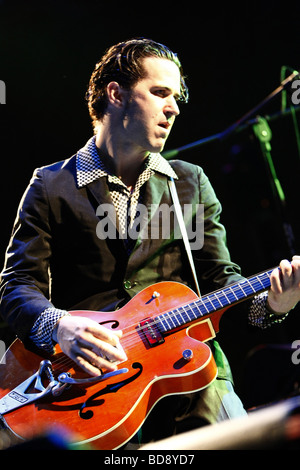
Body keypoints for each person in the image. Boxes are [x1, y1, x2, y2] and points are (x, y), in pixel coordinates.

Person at [0, 38, 300, 447]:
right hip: (90, 386)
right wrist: (60, 327)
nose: (174, 107)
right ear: (116, 93)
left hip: (191, 376)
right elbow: (17, 285)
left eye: (177, 97)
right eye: (160, 93)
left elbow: (220, 281)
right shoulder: (52, 185)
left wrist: (273, 304)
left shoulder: (189, 182)